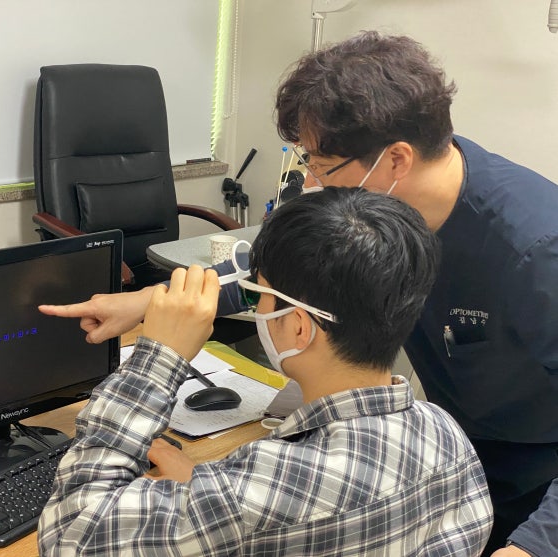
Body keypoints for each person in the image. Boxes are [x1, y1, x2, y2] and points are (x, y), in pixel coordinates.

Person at [45, 31, 558, 556]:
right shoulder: (438, 426)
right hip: (440, 459)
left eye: (321, 165)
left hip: (533, 477)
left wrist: (532, 547)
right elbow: (305, 274)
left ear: (396, 160)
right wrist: (149, 301)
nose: (310, 182)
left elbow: (73, 535)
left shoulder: (539, 249)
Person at [36, 188, 492, 556]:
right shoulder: (447, 435)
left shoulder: (262, 492)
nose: (255, 306)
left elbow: (70, 536)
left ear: (299, 327)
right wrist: (202, 485)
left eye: (258, 296)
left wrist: (160, 358)